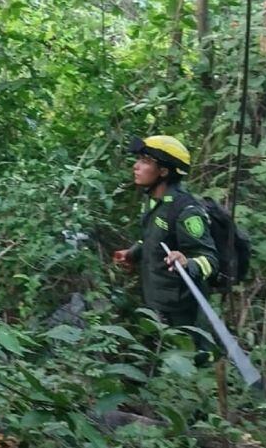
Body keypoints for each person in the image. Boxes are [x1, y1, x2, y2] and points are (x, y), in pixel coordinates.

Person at [113, 135, 218, 363]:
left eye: (145, 161)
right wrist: (132, 252)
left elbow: (209, 258)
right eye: (138, 159)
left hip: (182, 311)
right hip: (156, 303)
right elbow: (154, 238)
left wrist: (187, 263)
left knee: (194, 364)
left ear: (163, 172)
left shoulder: (186, 210)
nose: (136, 166)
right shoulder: (154, 202)